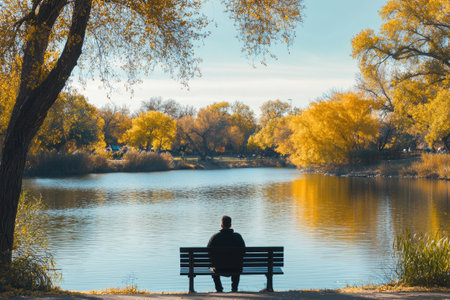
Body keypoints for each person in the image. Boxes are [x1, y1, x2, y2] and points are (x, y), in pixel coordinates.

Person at [207, 215, 246, 292]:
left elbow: (207, 252)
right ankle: (234, 289)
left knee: (212, 268)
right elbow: (243, 251)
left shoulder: (215, 237)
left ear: (221, 226)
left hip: (218, 268)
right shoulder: (238, 237)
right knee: (237, 264)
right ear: (230, 225)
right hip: (235, 268)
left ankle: (219, 289)